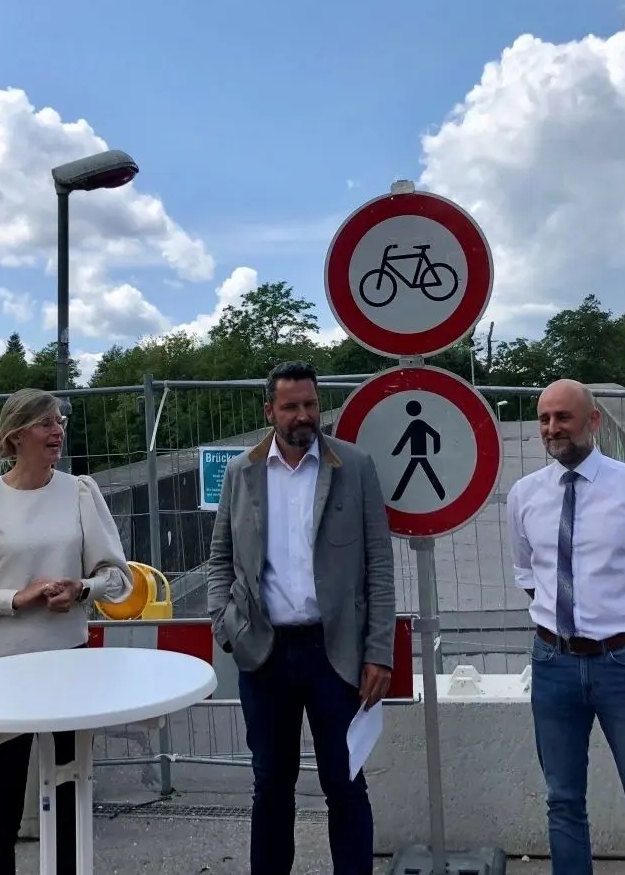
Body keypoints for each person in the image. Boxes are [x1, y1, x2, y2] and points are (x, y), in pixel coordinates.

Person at [0, 387, 134, 875]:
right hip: (0, 672)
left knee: (69, 802)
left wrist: (81, 588)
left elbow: (118, 579)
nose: (57, 430)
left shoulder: (81, 491)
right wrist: (14, 599)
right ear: (16, 436)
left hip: (69, 666)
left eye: (60, 421)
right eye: (45, 423)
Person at [206, 360, 396, 875]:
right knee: (271, 785)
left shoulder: (353, 467)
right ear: (269, 410)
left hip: (335, 655)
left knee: (345, 782)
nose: (303, 414)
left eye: (310, 404)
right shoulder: (242, 472)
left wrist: (380, 651)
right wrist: (224, 623)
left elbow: (378, 563)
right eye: (290, 406)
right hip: (265, 654)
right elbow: (220, 555)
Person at [507, 379, 625, 875]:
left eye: (563, 418)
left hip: (624, 667)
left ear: (592, 422)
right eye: (545, 419)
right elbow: (529, 574)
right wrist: (566, 620)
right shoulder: (525, 495)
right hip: (552, 665)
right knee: (563, 801)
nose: (552, 429)